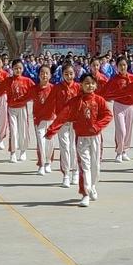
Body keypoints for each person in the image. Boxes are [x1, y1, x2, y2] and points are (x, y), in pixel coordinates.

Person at [45, 73, 113, 207]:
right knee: (84, 166)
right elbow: (62, 116)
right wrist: (52, 130)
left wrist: (97, 126)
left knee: (95, 166)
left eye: (92, 83)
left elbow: (108, 115)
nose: (89, 85)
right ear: (81, 85)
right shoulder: (75, 102)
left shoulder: (99, 100)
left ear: (95, 85)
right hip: (81, 138)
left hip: (96, 138)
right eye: (86, 83)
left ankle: (92, 186)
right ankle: (85, 193)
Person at [0, 59, 35, 162]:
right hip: (11, 109)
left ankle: (23, 151)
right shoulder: (8, 81)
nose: (18, 70)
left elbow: (36, 91)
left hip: (22, 108)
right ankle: (13, 153)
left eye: (20, 68)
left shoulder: (27, 81)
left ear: (23, 69)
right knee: (13, 131)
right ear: (12, 69)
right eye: (15, 68)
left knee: (23, 131)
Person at [13, 65, 56, 175]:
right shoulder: (34, 89)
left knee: (50, 143)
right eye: (42, 72)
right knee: (41, 143)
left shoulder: (54, 89)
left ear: (50, 75)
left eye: (46, 73)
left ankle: (48, 163)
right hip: (39, 120)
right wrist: (13, 102)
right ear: (38, 75)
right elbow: (24, 98)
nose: (44, 75)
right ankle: (41, 165)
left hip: (51, 120)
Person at [100, 56, 133, 162]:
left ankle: (125, 151)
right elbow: (105, 91)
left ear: (127, 66)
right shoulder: (114, 79)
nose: (122, 67)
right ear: (117, 66)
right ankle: (119, 152)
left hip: (130, 106)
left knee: (128, 130)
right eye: (120, 65)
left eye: (124, 65)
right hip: (119, 106)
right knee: (121, 130)